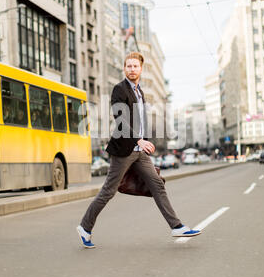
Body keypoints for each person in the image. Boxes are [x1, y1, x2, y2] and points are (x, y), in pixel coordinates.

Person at [77, 51, 201, 248]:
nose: (132, 69)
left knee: (157, 184)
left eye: (135, 66)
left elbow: (141, 121)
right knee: (108, 191)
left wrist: (144, 140)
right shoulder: (119, 89)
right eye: (129, 66)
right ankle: (85, 226)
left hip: (139, 150)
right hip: (124, 149)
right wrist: (139, 140)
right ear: (125, 68)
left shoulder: (139, 92)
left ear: (141, 69)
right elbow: (121, 119)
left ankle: (176, 226)